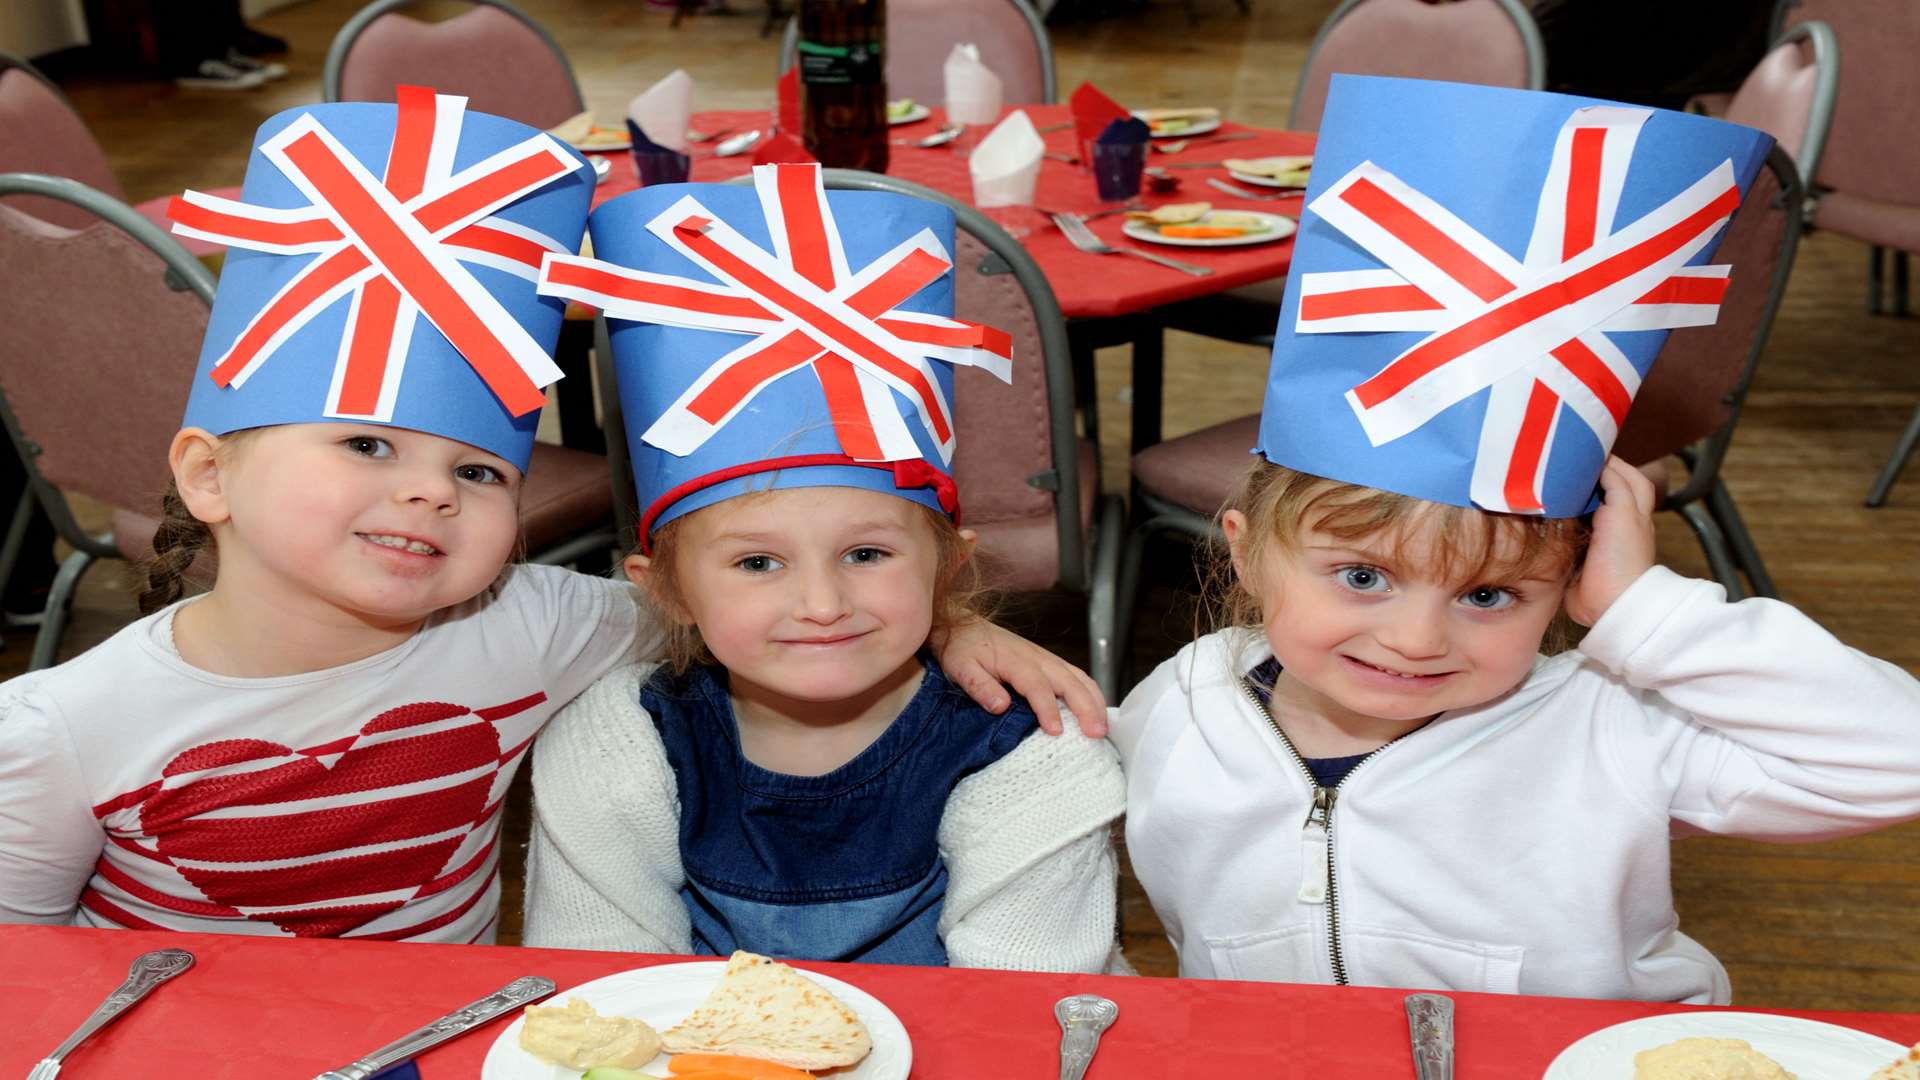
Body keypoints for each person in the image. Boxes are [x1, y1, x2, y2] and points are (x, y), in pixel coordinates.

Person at [0, 97, 1102, 944]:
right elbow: (25, 977)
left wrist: (951, 622)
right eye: (367, 444)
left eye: (480, 472)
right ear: (207, 475)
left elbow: (763, 606)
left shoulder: (532, 627)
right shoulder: (54, 732)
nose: (433, 491)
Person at [1112, 76, 1920, 1004]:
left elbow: (1898, 757)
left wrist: (1645, 615)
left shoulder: (1610, 729)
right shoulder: (1181, 707)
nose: (1416, 640)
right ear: (1246, 553)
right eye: (1364, 576)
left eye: (1488, 596)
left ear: (1567, 586)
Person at [522, 164, 1126, 972]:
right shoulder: (622, 742)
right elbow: (601, 987)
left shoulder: (1031, 750)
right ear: (664, 588)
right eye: (758, 561)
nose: (820, 602)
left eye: (867, 553)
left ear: (948, 571)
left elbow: (1019, 1008)